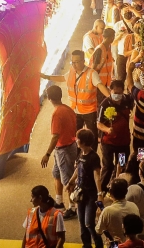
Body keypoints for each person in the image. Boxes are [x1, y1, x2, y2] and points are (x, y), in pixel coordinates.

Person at [42, 84, 80, 219]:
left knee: (68, 180)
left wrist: (47, 154)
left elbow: (55, 136)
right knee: (56, 173)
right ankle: (59, 201)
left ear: (49, 98)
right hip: (69, 146)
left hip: (63, 149)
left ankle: (72, 208)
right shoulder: (68, 109)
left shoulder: (56, 114)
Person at [65, 129, 103, 248]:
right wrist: (70, 182)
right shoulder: (81, 153)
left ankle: (98, 244)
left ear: (83, 141)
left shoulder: (94, 157)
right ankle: (86, 245)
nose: (76, 140)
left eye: (78, 139)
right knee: (81, 222)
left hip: (91, 194)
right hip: (81, 193)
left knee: (88, 223)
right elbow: (78, 168)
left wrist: (100, 193)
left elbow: (97, 176)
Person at [97, 81, 132, 188]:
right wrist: (107, 129)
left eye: (119, 93)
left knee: (121, 164)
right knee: (108, 166)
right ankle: (102, 189)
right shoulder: (104, 104)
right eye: (115, 92)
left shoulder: (127, 100)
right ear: (110, 91)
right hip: (108, 143)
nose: (117, 95)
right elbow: (98, 123)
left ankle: (116, 185)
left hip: (123, 143)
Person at [96, 179, 140, 246]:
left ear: (110, 192)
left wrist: (99, 217)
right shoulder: (134, 206)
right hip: (133, 244)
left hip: (115, 245)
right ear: (126, 191)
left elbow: (98, 231)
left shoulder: (107, 211)